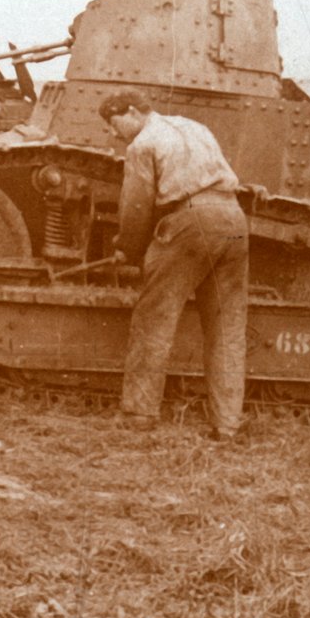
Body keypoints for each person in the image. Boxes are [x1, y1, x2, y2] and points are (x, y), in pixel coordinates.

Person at [99, 90, 249, 441]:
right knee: (226, 329)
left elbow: (136, 208)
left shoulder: (141, 145)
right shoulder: (193, 127)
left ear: (133, 112)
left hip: (189, 222)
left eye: (113, 122)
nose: (113, 133)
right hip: (233, 219)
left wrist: (128, 250)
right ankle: (227, 424)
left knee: (154, 318)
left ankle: (139, 413)